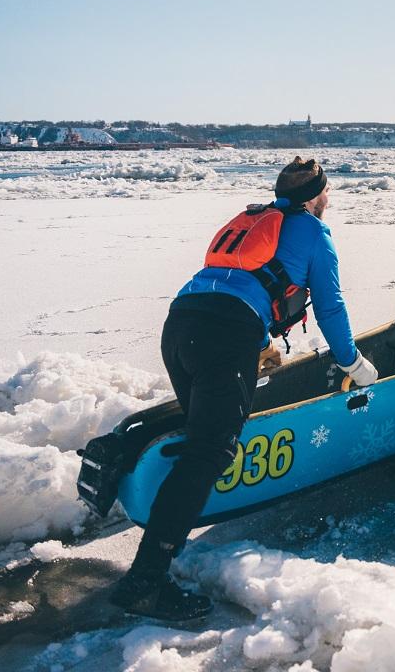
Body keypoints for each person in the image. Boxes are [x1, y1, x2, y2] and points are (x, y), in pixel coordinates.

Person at [111, 157, 379, 622]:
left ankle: (154, 546)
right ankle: (144, 583)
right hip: (224, 333)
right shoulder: (314, 232)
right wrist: (353, 362)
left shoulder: (254, 220)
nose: (329, 201)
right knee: (210, 451)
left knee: (201, 437)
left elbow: (234, 282)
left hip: (181, 324)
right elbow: (331, 308)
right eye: (327, 194)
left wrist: (259, 342)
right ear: (317, 197)